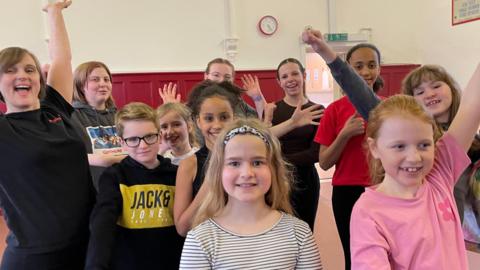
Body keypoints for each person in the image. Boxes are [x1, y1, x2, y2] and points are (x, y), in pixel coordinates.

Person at [303, 27, 480, 269]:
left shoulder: (439, 173)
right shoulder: (369, 212)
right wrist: (326, 53)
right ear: (374, 148)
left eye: (424, 144)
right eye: (398, 146)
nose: (414, 156)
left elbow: (472, 104)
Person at [0, 1, 95, 269]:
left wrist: (54, 11)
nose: (23, 75)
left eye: (30, 69)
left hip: (87, 245)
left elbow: (62, 60)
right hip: (35, 258)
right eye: (11, 70)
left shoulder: (55, 110)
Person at [179, 119, 323, 269]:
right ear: (219, 171)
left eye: (257, 162)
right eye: (234, 163)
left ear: (273, 169)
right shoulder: (201, 239)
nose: (247, 173)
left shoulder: (299, 233)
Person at [86, 102, 184, 270]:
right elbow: (102, 227)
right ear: (122, 143)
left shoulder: (177, 175)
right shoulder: (114, 177)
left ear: (159, 136)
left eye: (149, 136)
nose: (143, 145)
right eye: (133, 139)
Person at [314, 43, 382, 269]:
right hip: (347, 193)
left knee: (387, 253)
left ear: (379, 69)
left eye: (372, 65)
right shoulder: (334, 110)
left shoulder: (388, 108)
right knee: (353, 255)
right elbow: (324, 162)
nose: (365, 72)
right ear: (348, 70)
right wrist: (344, 135)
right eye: (358, 66)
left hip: (384, 190)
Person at [402, 65, 480, 225]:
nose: (430, 94)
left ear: (451, 88)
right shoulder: (421, 143)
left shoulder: (474, 136)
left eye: (436, 86)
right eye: (420, 92)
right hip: (449, 228)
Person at [174, 82, 238, 236]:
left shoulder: (246, 160)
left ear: (234, 118)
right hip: (207, 248)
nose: (217, 125)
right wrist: (209, 184)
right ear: (198, 122)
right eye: (209, 118)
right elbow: (182, 228)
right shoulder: (189, 165)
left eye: (224, 117)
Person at [270, 58, 324, 230]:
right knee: (279, 232)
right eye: (285, 76)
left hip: (306, 179)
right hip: (278, 180)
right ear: (279, 82)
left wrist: (279, 159)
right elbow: (265, 144)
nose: (290, 79)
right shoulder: (273, 110)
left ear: (304, 75)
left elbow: (315, 153)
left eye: (295, 73)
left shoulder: (317, 110)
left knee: (306, 230)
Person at [71, 61, 125, 189]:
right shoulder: (71, 117)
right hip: (90, 191)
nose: (103, 84)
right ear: (80, 85)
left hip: (123, 188)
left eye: (106, 79)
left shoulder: (121, 116)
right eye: (95, 79)